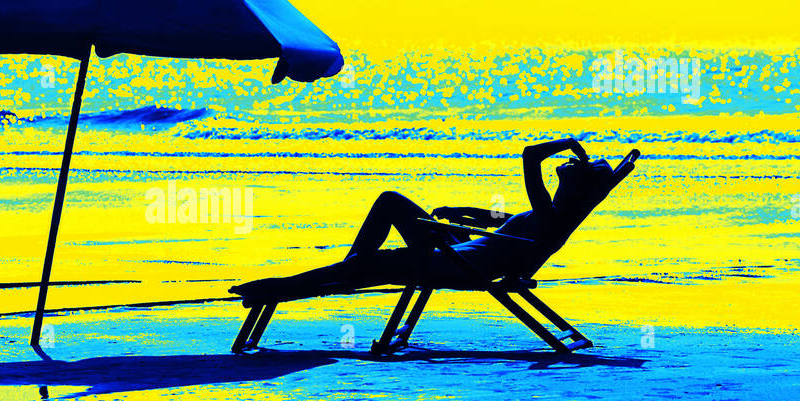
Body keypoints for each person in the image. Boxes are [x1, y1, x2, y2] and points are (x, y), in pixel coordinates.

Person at [230, 139, 615, 302]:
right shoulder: (545, 216)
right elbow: (499, 221)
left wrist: (568, 143)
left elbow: (530, 155)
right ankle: (350, 268)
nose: (570, 162)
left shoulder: (549, 214)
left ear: (575, 184)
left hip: (451, 262)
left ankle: (288, 284)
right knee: (390, 202)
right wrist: (460, 212)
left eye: (575, 165)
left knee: (370, 250)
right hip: (454, 251)